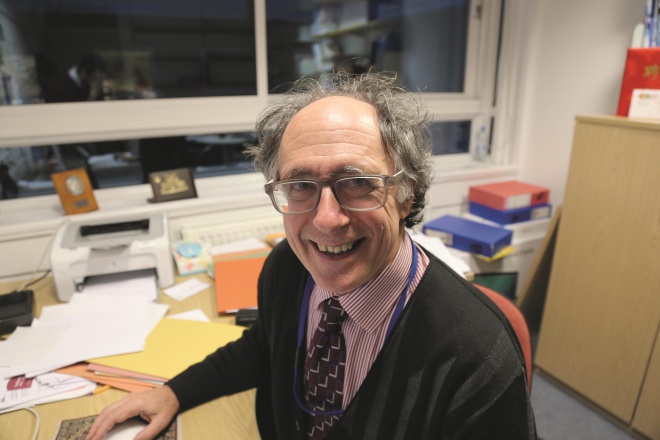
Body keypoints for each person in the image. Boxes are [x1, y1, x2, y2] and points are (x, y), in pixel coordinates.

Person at [86, 72, 536, 440]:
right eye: (300, 185)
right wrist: (174, 393)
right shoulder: (287, 267)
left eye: (357, 182)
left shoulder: (477, 358)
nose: (326, 220)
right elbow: (265, 347)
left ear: (406, 194)